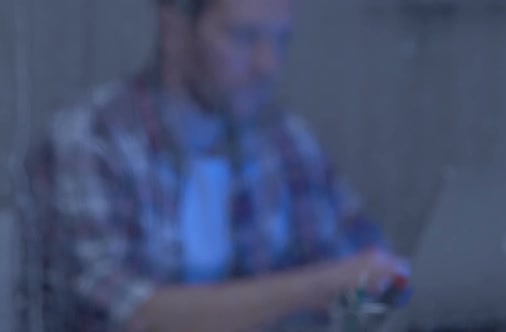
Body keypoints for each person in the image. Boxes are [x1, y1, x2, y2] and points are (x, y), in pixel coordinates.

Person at [21, 0, 410, 331]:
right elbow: (128, 314)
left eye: (281, 40)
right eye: (244, 38)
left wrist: (362, 301)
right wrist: (315, 289)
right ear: (174, 27)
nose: (268, 65)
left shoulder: (284, 140)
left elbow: (375, 280)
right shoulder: (92, 141)